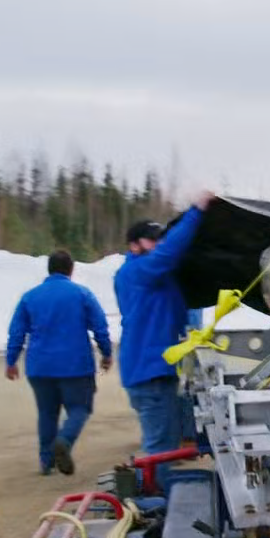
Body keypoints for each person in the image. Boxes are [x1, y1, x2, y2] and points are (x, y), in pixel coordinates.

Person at [115, 193, 210, 457]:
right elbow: (168, 254)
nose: (158, 244)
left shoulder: (152, 278)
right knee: (160, 448)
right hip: (149, 374)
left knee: (165, 443)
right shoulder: (138, 271)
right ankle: (155, 483)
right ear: (134, 246)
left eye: (160, 239)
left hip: (151, 370)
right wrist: (196, 211)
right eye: (151, 240)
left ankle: (157, 480)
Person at [5, 249, 113, 476]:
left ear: (49, 269)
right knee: (79, 408)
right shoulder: (82, 294)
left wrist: (11, 361)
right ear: (71, 270)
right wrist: (106, 353)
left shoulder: (30, 297)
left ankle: (46, 462)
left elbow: (17, 332)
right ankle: (64, 440)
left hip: (40, 367)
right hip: (76, 366)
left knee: (47, 413)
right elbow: (100, 326)